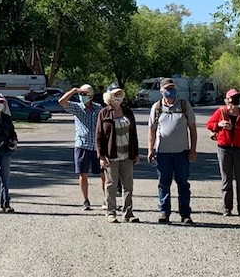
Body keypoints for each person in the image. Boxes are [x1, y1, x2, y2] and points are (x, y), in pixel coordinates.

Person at [147, 77, 197, 224]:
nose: (170, 91)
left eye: (172, 88)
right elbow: (151, 130)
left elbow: (193, 129)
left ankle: (185, 214)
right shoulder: (156, 108)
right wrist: (151, 149)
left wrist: (193, 150)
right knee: (163, 183)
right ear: (161, 91)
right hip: (162, 153)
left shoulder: (184, 105)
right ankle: (164, 212)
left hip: (182, 152)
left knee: (183, 183)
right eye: (167, 89)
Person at [206, 88, 240, 217]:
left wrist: (234, 128)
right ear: (227, 100)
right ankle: (227, 208)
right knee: (226, 180)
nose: (234, 101)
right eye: (232, 98)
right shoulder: (221, 112)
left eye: (237, 98)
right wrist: (219, 125)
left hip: (239, 149)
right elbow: (209, 124)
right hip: (224, 149)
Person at [95, 86, 139, 223]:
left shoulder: (128, 112)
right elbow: (99, 136)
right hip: (111, 155)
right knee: (111, 185)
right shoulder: (104, 113)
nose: (118, 96)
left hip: (127, 155)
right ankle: (110, 212)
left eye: (120, 94)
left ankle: (128, 213)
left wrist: (136, 153)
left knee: (128, 185)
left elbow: (133, 134)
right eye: (115, 94)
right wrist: (101, 156)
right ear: (109, 96)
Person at [55, 83, 101, 210]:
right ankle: (85, 200)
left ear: (91, 96)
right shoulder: (77, 108)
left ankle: (106, 199)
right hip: (82, 145)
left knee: (103, 174)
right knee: (83, 174)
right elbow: (61, 101)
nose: (82, 96)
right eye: (81, 94)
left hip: (96, 146)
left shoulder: (98, 108)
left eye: (84, 94)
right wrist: (74, 90)